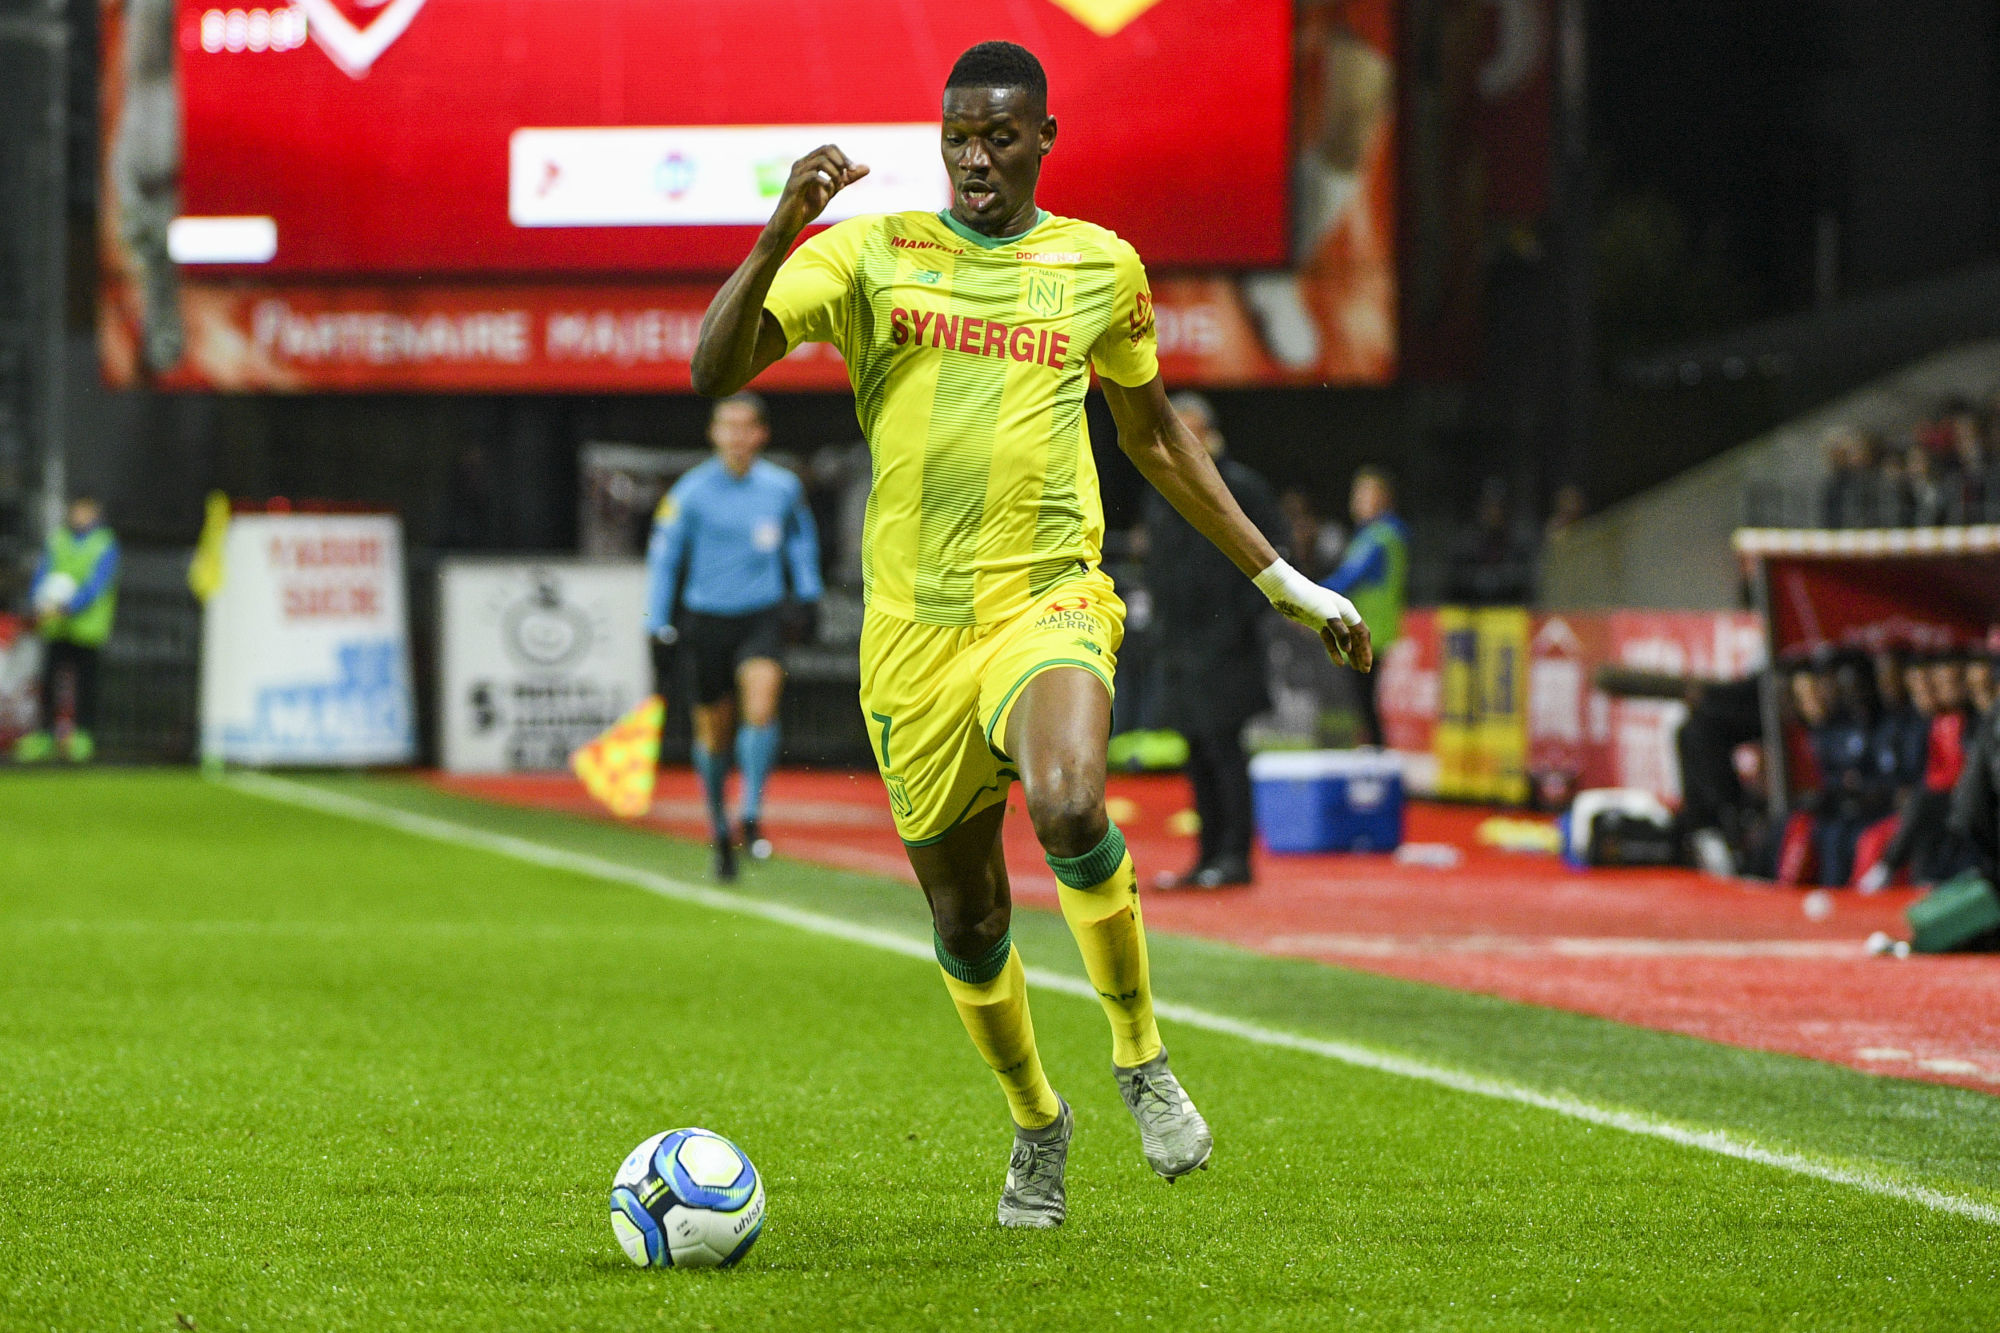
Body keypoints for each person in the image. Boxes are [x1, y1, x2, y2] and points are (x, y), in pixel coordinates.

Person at [688, 41, 1371, 1229]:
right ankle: (1035, 1122)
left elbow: (1154, 437)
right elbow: (715, 367)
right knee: (968, 919)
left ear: (1043, 139)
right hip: (910, 641)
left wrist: (1284, 582)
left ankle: (1142, 1057)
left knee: (1067, 802)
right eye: (956, 137)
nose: (973, 160)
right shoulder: (872, 254)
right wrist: (776, 233)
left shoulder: (1098, 267)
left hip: (1044, 599)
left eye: (998, 137)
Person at [644, 394, 823, 881]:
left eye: (747, 427)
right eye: (728, 426)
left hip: (759, 616)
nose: (737, 437)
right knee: (714, 734)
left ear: (761, 434)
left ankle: (749, 813)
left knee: (761, 708)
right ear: (714, 434)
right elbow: (665, 559)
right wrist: (656, 622)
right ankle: (718, 826)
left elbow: (800, 540)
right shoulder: (690, 493)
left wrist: (808, 595)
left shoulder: (782, 488)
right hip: (706, 621)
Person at [1142, 392, 1288, 889]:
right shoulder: (1165, 486)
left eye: (1189, 429)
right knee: (1197, 752)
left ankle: (1235, 857)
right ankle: (1207, 857)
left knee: (1225, 750)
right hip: (1183, 646)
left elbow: (1275, 554)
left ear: (1208, 432)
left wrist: (1239, 623)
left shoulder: (1243, 485)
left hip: (1227, 647)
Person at [14, 498, 121, 763]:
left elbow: (98, 583)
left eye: (84, 511)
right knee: (49, 682)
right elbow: (43, 572)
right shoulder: (59, 539)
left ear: (95, 513)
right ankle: (45, 735)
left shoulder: (105, 543)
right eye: (76, 510)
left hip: (87, 628)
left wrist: (70, 606)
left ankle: (82, 736)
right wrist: (39, 600)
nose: (78, 515)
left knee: (86, 684)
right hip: (56, 627)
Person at [1320, 465, 1406, 747]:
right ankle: (1373, 755)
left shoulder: (1378, 538)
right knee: (1365, 702)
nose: (1356, 501)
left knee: (1363, 702)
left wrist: (1307, 596)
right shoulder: (1379, 535)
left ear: (1382, 498)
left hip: (1368, 630)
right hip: (1372, 629)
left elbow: (1348, 578)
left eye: (1363, 495)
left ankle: (1375, 760)